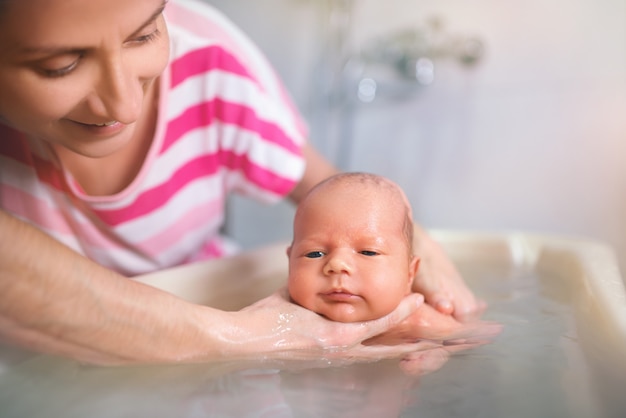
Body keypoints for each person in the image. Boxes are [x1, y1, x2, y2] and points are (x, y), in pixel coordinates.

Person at [0, 0, 481, 366]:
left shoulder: (209, 64)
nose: (125, 107)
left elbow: (349, 201)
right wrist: (244, 338)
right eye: (58, 66)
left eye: (144, 35)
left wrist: (428, 302)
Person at [287, 172, 487, 343]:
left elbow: (479, 336)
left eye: (368, 252)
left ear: (410, 274)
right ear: (290, 263)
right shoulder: (279, 315)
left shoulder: (419, 321)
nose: (337, 264)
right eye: (315, 254)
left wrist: (436, 349)